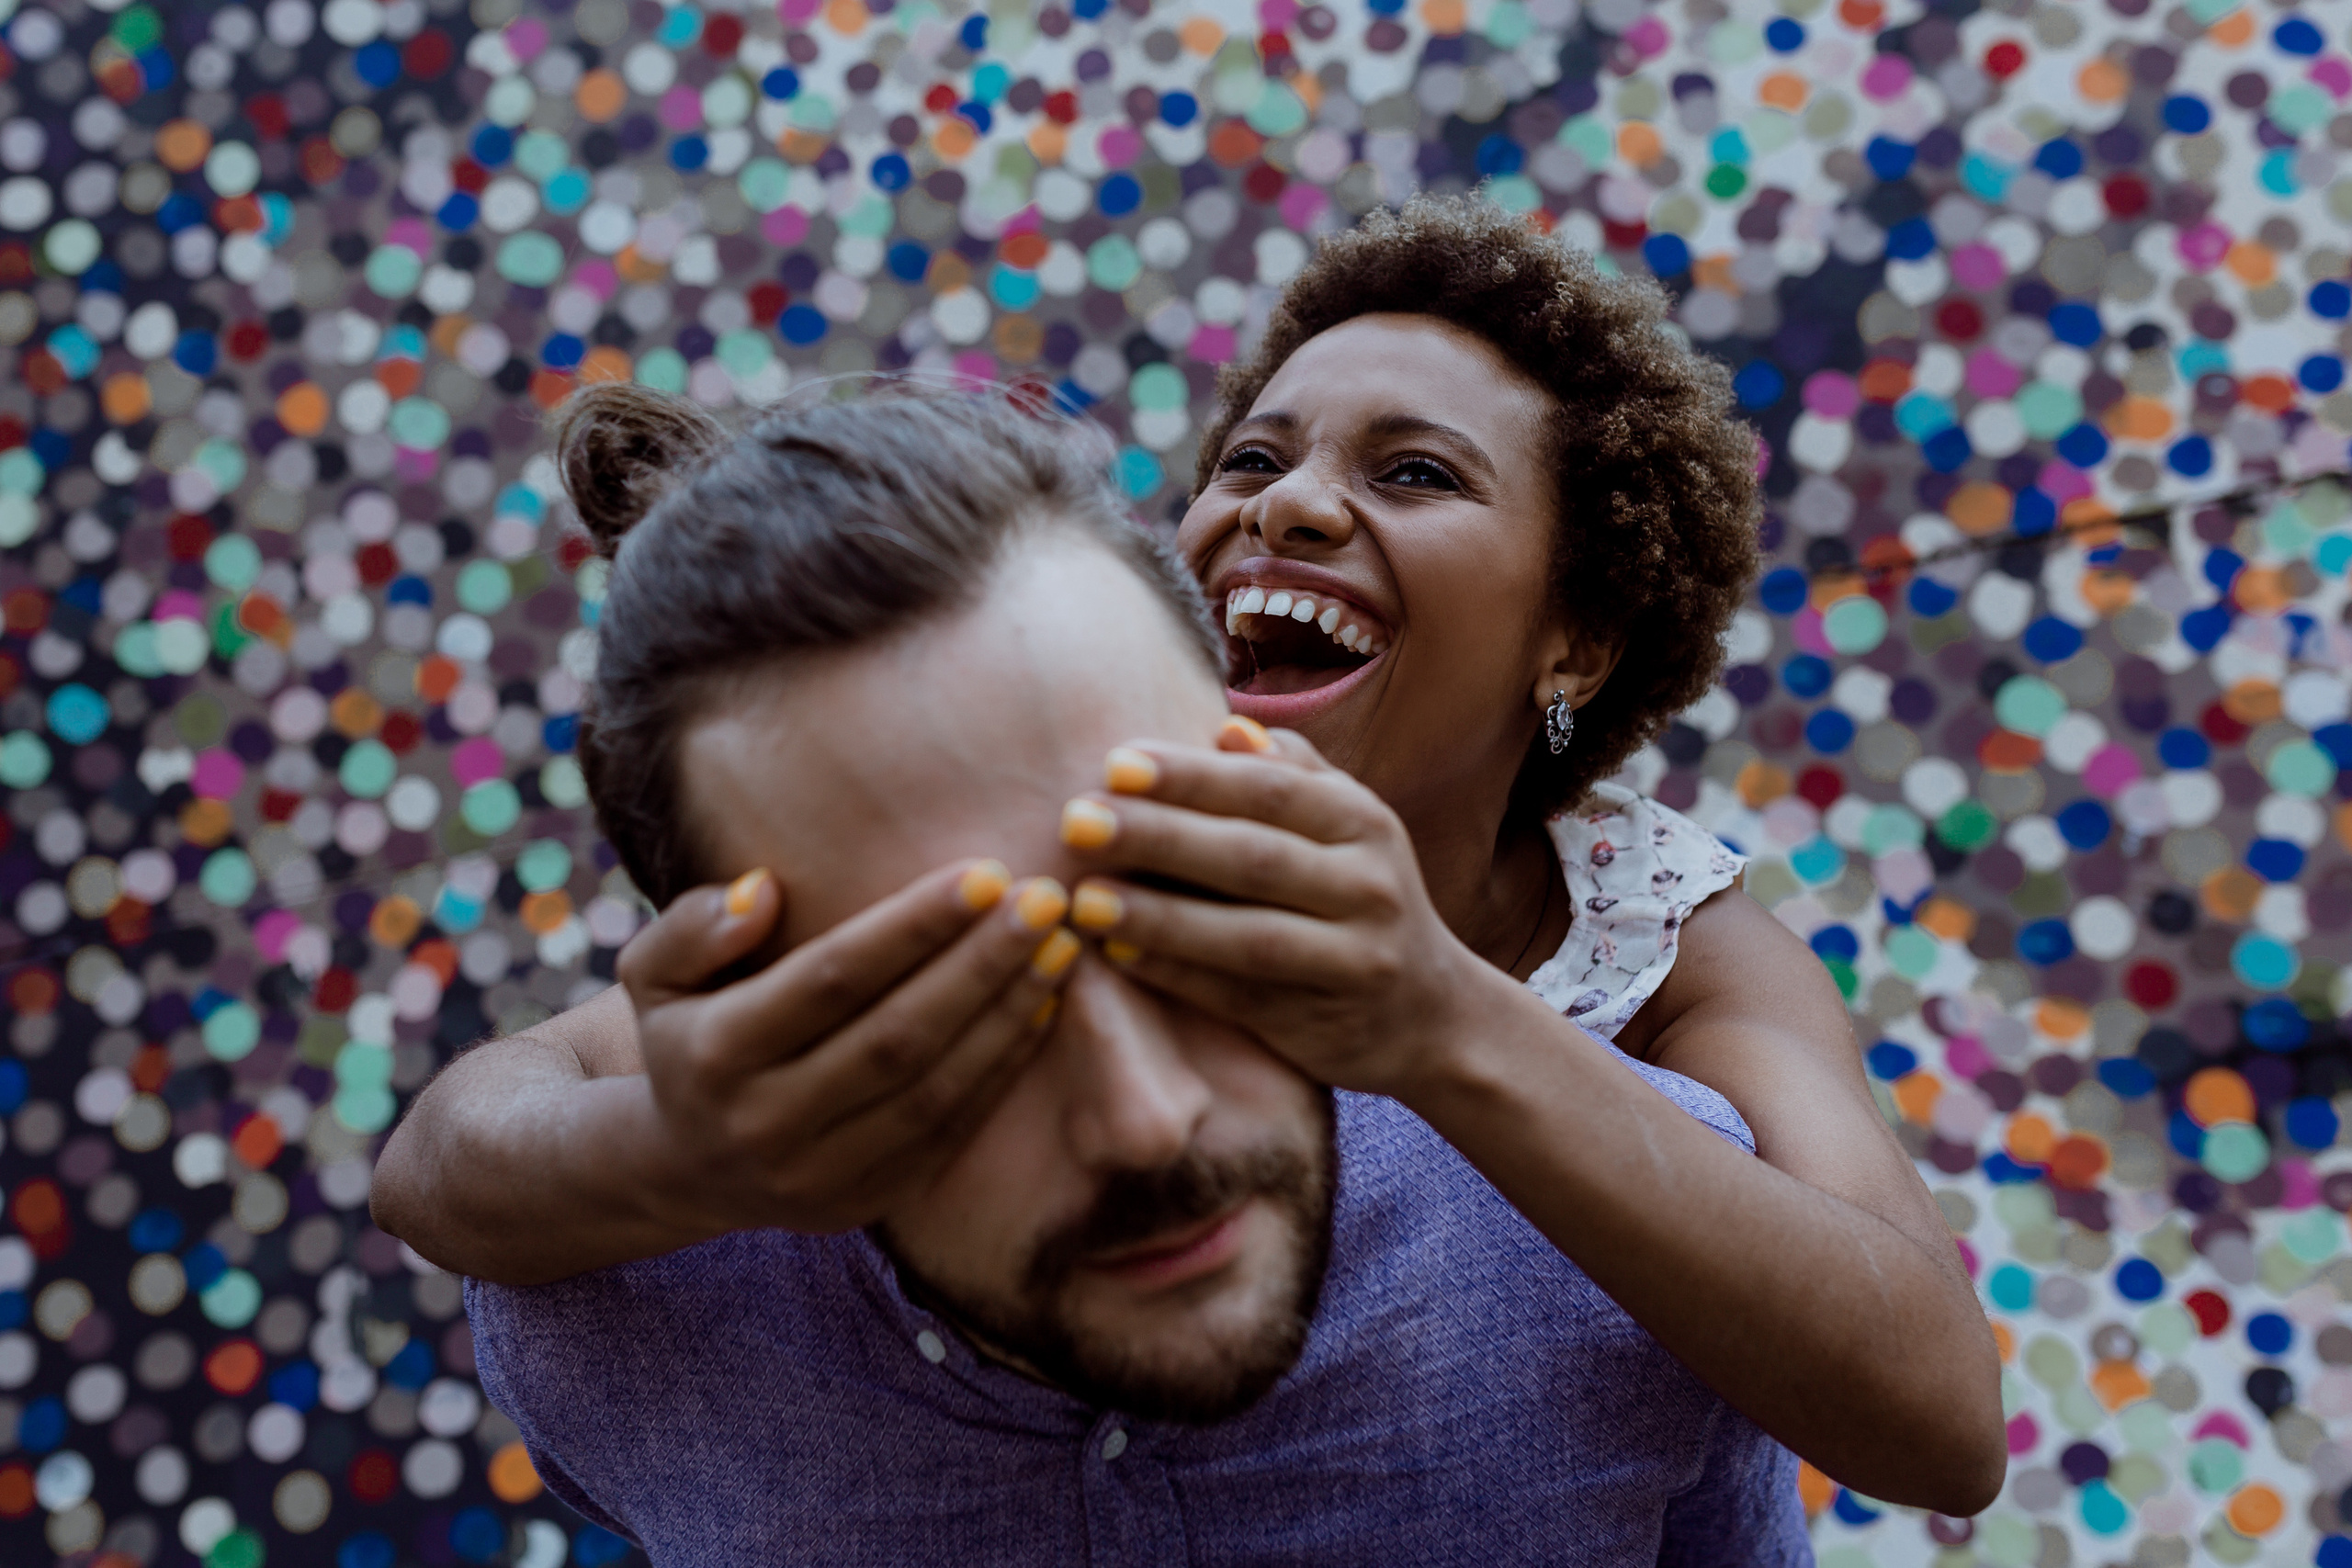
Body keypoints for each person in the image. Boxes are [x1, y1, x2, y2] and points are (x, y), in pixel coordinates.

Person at [380, 197, 2005, 1512]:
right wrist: (686, 1156)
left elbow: (1933, 1415)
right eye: (1250, 459)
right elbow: (464, 1142)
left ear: (1573, 638)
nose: (1291, 506)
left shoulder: (1666, 944)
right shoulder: (1067, 776)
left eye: (1415, 472)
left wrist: (1444, 1021)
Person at [464, 384, 1814, 1562]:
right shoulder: (618, 1319)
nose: (1145, 1120)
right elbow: (459, 1153)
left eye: (1177, 911)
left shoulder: (1648, 1247)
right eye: (955, 1010)